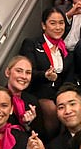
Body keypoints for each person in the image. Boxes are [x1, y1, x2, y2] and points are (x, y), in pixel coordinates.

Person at [21, 8, 74, 137]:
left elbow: (68, 77)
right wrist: (45, 75)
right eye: (53, 23)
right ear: (44, 25)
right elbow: (28, 72)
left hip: (58, 93)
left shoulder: (65, 50)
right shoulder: (32, 44)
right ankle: (49, 146)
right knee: (51, 108)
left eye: (61, 23)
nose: (58, 27)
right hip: (37, 92)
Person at [4, 54, 38, 131]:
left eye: (28, 73)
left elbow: (40, 135)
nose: (24, 76)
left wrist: (28, 124)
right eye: (19, 71)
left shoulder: (32, 102)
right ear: (7, 72)